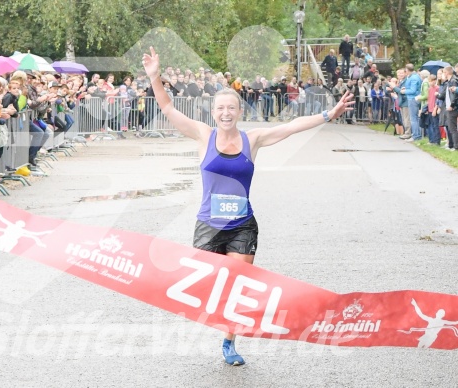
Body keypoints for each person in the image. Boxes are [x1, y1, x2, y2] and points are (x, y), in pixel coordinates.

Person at [142, 46, 354, 367]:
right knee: (209, 286)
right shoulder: (203, 135)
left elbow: (292, 126)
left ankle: (229, 342)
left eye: (231, 107)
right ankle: (223, 324)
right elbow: (168, 108)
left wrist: (328, 115)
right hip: (209, 226)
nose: (226, 113)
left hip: (242, 225)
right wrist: (155, 77)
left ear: (239, 111)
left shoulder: (252, 140)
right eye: (220, 108)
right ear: (213, 112)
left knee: (236, 286)